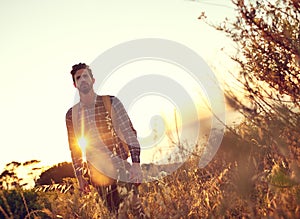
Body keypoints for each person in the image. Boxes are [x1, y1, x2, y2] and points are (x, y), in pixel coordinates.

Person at [65, 63, 147, 218]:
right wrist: (80, 178)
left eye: (85, 76)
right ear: (75, 84)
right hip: (97, 174)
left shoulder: (111, 102)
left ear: (93, 80)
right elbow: (74, 148)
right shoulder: (71, 115)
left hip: (121, 167)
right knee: (115, 215)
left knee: (138, 212)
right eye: (78, 78)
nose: (82, 80)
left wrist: (136, 164)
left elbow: (130, 133)